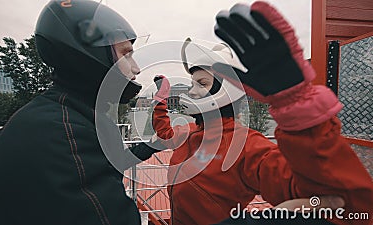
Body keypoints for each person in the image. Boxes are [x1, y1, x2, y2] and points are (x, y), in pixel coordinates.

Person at [151, 2, 373, 225]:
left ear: (225, 91)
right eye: (192, 83)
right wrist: (159, 101)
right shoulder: (190, 133)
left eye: (201, 83)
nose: (192, 91)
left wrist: (297, 105)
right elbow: (164, 134)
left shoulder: (246, 146)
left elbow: (340, 202)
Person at [0, 1, 164, 225]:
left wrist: (151, 145)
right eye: (126, 54)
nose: (136, 68)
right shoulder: (66, 136)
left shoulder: (63, 118)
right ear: (91, 55)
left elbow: (108, 161)